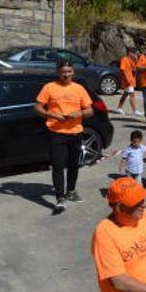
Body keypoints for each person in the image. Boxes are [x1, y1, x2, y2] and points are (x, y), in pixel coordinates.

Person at [33, 59, 94, 212]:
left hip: (75, 132)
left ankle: (71, 191)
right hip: (56, 133)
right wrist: (51, 115)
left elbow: (90, 111)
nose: (66, 74)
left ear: (73, 71)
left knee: (74, 165)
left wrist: (78, 113)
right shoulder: (49, 87)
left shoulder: (79, 88)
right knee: (58, 166)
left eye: (69, 71)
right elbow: (37, 108)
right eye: (63, 72)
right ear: (58, 72)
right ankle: (60, 197)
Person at [113, 47, 140, 116]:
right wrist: (126, 79)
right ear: (130, 53)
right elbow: (122, 70)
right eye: (133, 53)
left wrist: (136, 60)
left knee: (125, 94)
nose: (135, 54)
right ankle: (135, 111)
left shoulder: (133, 60)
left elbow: (136, 68)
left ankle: (119, 108)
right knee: (132, 95)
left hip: (131, 80)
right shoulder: (124, 59)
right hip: (127, 81)